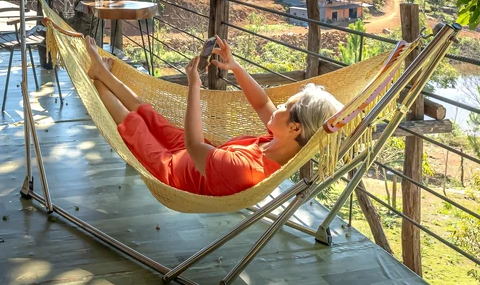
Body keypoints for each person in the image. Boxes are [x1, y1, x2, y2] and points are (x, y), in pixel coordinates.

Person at [82, 35, 343, 196]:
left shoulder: (247, 170)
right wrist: (235, 67)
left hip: (172, 171)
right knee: (149, 113)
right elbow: (262, 101)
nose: (279, 108)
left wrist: (195, 85)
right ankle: (102, 74)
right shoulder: (280, 142)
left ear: (295, 128)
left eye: (286, 107)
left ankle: (95, 82)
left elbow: (194, 146)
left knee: (136, 123)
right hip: (191, 154)